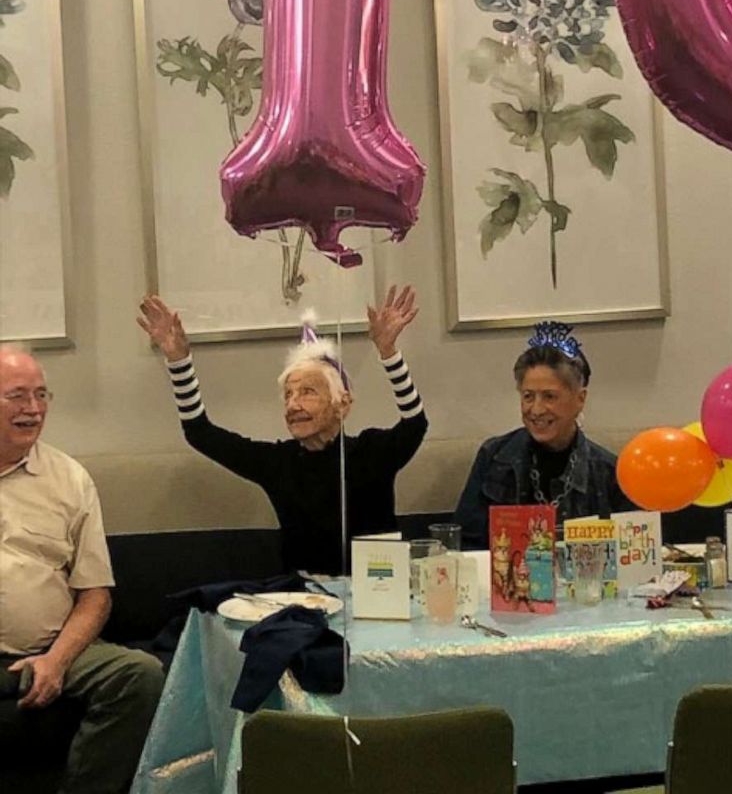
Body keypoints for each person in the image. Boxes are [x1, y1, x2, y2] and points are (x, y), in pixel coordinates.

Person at [137, 286, 427, 574]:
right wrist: (179, 362)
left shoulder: (373, 451)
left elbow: (415, 422)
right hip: (303, 602)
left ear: (343, 404)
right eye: (288, 395)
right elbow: (199, 432)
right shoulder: (278, 463)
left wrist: (388, 354)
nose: (293, 405)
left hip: (378, 596)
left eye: (308, 392)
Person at [0, 346, 164, 794]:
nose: (33, 409)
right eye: (17, 396)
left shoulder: (70, 479)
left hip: (49, 647)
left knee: (140, 675)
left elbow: (95, 594)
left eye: (41, 395)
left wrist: (56, 660)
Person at [454, 321, 631, 549]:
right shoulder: (494, 457)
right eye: (528, 396)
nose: (536, 410)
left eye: (549, 397)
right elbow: (464, 545)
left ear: (580, 399)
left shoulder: (608, 472)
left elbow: (630, 553)